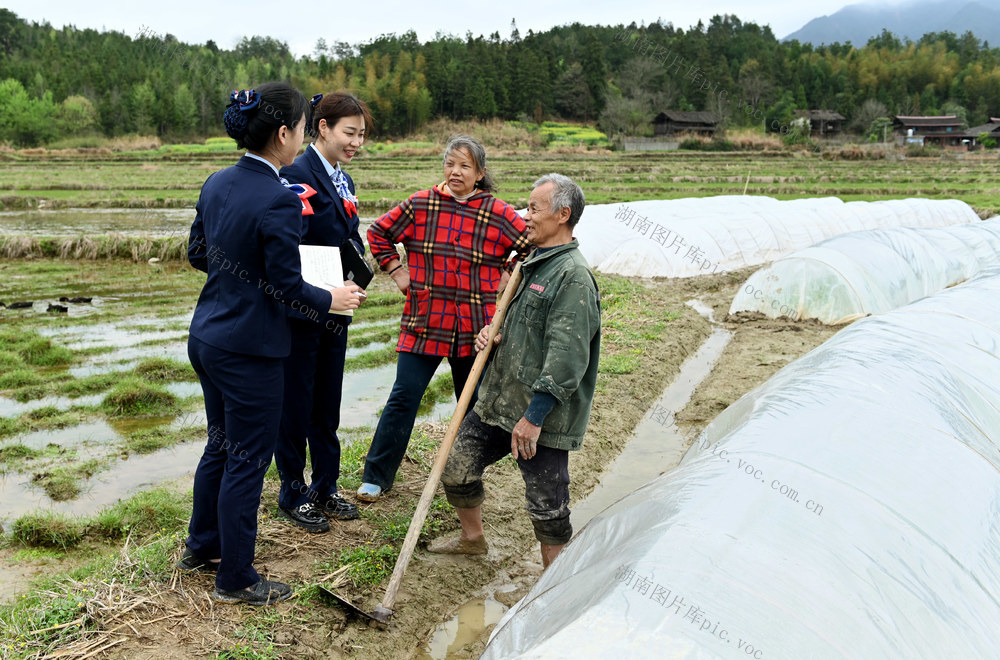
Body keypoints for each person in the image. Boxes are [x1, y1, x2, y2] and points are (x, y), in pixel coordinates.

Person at [179, 83, 363, 606]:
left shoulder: (216, 182)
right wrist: (333, 297)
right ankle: (236, 577)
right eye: (303, 130)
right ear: (284, 135)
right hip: (251, 350)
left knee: (220, 443)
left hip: (208, 337)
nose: (302, 138)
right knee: (247, 459)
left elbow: (198, 253)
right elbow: (286, 288)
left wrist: (239, 278)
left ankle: (202, 545)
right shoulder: (280, 200)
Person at [427, 173, 600, 570]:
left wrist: (534, 417)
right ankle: (473, 540)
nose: (525, 215)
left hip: (539, 415)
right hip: (499, 401)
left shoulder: (571, 276)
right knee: (455, 467)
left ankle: (552, 584)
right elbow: (525, 324)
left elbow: (567, 358)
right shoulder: (533, 263)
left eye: (534, 208)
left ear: (562, 215)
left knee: (548, 507)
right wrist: (497, 332)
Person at [357, 136, 531, 502]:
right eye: (450, 164)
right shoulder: (422, 204)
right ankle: (377, 476)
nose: (456, 171)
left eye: (465, 166)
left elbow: (531, 247)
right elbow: (378, 233)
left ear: (480, 173)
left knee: (471, 406)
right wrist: (397, 272)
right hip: (425, 322)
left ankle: (464, 474)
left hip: (475, 328)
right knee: (403, 398)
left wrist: (507, 273)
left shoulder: (497, 212)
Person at [273, 92, 375, 532]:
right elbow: (285, 246)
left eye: (362, 135)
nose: (356, 143)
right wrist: (323, 290)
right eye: (349, 133)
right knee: (297, 402)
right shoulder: (294, 175)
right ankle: (292, 491)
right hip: (303, 306)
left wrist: (354, 283)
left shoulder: (344, 180)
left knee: (328, 399)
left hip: (338, 307)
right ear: (323, 128)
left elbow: (346, 237)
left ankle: (325, 485)